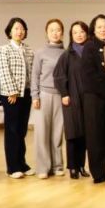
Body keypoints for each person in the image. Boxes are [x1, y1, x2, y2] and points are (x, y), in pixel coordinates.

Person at [0, 17, 34, 179]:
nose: (19, 31)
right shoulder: (4, 50)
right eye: (16, 28)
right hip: (11, 95)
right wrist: (12, 91)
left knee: (22, 130)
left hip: (26, 94)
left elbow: (32, 72)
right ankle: (12, 167)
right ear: (10, 31)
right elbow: (4, 71)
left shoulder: (29, 50)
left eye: (22, 28)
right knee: (12, 130)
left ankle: (22, 163)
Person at [81, 14, 105, 184]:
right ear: (93, 30)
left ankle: (104, 169)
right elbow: (89, 74)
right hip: (94, 96)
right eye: (99, 27)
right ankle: (97, 172)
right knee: (95, 135)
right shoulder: (89, 46)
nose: (103, 30)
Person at [53, 21, 90, 179]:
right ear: (71, 35)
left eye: (82, 32)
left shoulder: (91, 52)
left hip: (88, 100)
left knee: (85, 134)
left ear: (87, 33)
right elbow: (59, 76)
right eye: (75, 32)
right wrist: (64, 94)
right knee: (73, 134)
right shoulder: (67, 55)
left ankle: (81, 165)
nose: (79, 35)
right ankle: (72, 167)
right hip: (72, 99)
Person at [31, 19, 66, 179]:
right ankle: (43, 167)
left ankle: (57, 165)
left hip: (60, 96)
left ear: (62, 33)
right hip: (43, 95)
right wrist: (35, 95)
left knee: (57, 133)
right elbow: (35, 75)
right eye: (52, 30)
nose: (55, 33)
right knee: (42, 132)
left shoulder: (66, 53)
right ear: (47, 32)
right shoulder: (40, 52)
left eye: (58, 30)